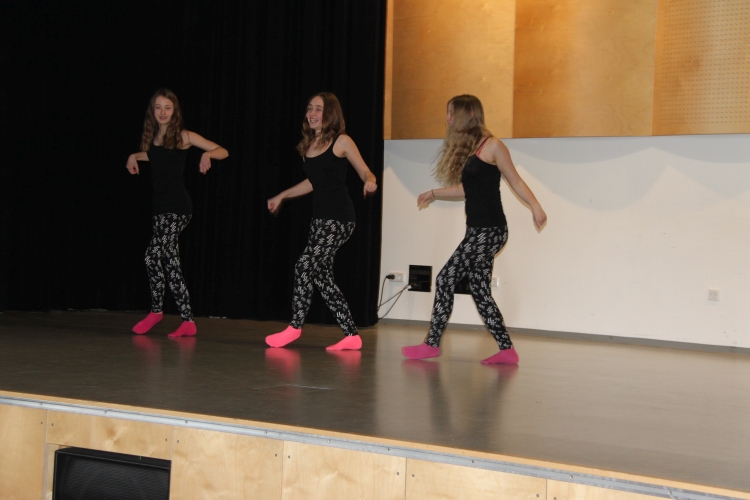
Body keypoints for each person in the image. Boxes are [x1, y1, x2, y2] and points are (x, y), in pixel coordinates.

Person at [401, 94, 546, 364]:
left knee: (445, 279)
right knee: (479, 290)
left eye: (451, 113)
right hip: (476, 231)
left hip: (490, 231)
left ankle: (431, 344)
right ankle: (507, 351)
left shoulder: (493, 146)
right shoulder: (471, 150)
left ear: (469, 114)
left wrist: (535, 206)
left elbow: (515, 180)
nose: (447, 119)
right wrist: (434, 192)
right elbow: (467, 190)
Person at [266, 92, 377, 351]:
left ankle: (294, 327)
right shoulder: (308, 146)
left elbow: (364, 170)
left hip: (340, 219)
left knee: (304, 266)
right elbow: (313, 183)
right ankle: (352, 335)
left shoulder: (342, 141)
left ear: (330, 114)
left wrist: (370, 181)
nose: (312, 113)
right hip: (319, 220)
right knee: (322, 277)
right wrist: (282, 195)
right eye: (310, 108)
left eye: (319, 109)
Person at [126, 89, 228, 338]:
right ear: (153, 111)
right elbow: (154, 156)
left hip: (178, 209)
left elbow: (222, 150)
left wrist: (207, 153)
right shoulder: (154, 138)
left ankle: (156, 312)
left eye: (167, 107)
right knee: (171, 264)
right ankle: (187, 321)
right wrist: (134, 156)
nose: (162, 112)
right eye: (158, 107)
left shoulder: (184, 136)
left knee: (151, 257)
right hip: (160, 210)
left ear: (174, 111)